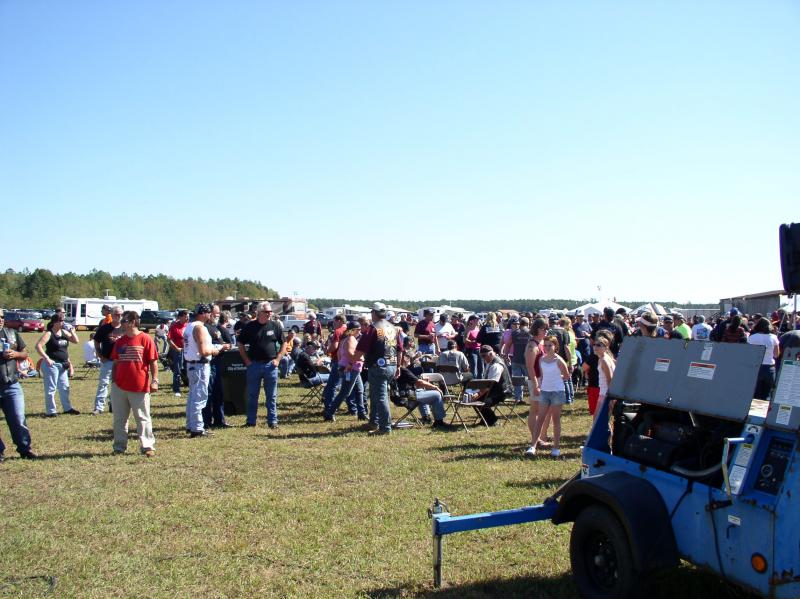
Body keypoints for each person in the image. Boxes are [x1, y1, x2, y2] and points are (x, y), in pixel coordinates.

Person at [110, 310, 158, 457]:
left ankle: (147, 445)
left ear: (132, 322)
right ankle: (119, 447)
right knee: (119, 419)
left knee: (142, 417)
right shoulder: (120, 341)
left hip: (139, 386)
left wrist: (155, 380)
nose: (121, 323)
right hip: (119, 386)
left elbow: (153, 362)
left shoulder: (145, 339)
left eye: (124, 321)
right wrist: (113, 381)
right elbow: (115, 363)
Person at [238, 301, 287, 429]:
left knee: (271, 396)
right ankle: (251, 421)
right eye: (267, 312)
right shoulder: (250, 326)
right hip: (254, 365)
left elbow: (284, 343)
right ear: (259, 313)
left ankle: (273, 421)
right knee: (252, 395)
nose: (270, 313)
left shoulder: (275, 325)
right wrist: (247, 361)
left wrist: (278, 359)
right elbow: (240, 343)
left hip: (270, 365)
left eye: (271, 311)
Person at [355, 302, 399, 435]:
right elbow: (400, 349)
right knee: (375, 394)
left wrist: (351, 360)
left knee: (380, 396)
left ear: (373, 313)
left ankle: (385, 427)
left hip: (378, 367)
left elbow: (361, 349)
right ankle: (374, 421)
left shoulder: (372, 328)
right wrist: (399, 366)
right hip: (392, 364)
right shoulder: (393, 327)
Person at [0, 308, 38, 460]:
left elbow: (25, 353)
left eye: (2, 316)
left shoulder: (11, 333)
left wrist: (15, 354)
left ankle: (24, 448)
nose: (0, 319)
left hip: (11, 384)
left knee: (18, 417)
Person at [182, 304, 223, 437]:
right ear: (204, 313)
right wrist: (215, 350)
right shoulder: (200, 328)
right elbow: (203, 351)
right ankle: (197, 428)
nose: (211, 315)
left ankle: (191, 425)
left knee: (193, 396)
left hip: (192, 364)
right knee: (199, 397)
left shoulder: (189, 326)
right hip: (199, 365)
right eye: (209, 313)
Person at [526, 335, 570, 457]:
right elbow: (543, 375)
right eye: (545, 345)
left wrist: (557, 378)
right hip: (545, 391)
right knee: (540, 418)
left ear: (555, 346)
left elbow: (566, 376)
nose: (547, 347)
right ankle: (533, 446)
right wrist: (540, 386)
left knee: (556, 420)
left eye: (550, 345)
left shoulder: (559, 360)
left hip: (557, 391)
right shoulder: (542, 360)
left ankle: (556, 447)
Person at [395, 349, 454, 429]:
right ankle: (439, 422)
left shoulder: (394, 369)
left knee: (421, 391)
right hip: (406, 397)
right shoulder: (403, 370)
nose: (410, 360)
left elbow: (416, 383)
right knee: (436, 395)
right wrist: (435, 387)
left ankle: (426, 417)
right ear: (403, 358)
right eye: (408, 357)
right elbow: (419, 382)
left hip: (398, 396)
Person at [35, 313, 80, 416]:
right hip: (52, 365)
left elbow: (76, 341)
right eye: (61, 321)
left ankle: (67, 408)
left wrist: (72, 332)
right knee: (51, 388)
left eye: (63, 320)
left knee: (64, 387)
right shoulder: (49, 334)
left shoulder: (64, 332)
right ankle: (51, 411)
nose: (63, 322)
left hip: (63, 365)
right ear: (55, 322)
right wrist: (47, 359)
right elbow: (38, 346)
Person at [324, 321, 366, 421]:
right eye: (358, 330)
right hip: (351, 369)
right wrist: (362, 358)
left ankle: (362, 413)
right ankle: (329, 413)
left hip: (352, 369)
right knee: (345, 392)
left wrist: (343, 363)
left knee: (359, 390)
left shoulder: (345, 339)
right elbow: (351, 354)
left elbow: (339, 354)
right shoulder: (351, 339)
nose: (360, 332)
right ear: (353, 330)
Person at [203, 304, 233, 430]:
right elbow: (207, 346)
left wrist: (225, 345)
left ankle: (219, 420)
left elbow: (220, 342)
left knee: (218, 394)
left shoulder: (216, 328)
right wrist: (222, 347)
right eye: (215, 313)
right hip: (209, 364)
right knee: (208, 394)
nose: (217, 315)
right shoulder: (204, 328)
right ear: (209, 313)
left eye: (218, 313)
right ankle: (207, 421)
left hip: (218, 363)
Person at [92, 306, 123, 415]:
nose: (118, 317)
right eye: (116, 314)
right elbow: (96, 341)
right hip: (108, 360)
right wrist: (100, 355)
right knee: (103, 384)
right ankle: (99, 407)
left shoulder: (125, 329)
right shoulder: (104, 328)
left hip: (121, 362)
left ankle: (113, 405)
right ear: (112, 315)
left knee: (118, 385)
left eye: (120, 315)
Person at [471, 345, 513, 427]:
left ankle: (492, 420)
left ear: (491, 354)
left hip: (502, 392)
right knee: (474, 399)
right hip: (494, 391)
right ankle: (485, 420)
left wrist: (478, 394)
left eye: (484, 356)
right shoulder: (490, 362)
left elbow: (489, 385)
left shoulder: (496, 365)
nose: (483, 358)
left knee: (479, 401)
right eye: (481, 356)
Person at [747, 318, 780, 400]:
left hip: (755, 368)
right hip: (769, 368)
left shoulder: (751, 338)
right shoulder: (774, 337)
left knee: (755, 394)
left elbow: (747, 354)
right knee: (767, 395)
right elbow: (776, 355)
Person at [503, 316, 532, 403]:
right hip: (527, 360)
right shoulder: (530, 333)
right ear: (527, 323)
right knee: (531, 380)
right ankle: (534, 398)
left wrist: (506, 355)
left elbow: (508, 344)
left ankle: (518, 398)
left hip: (516, 359)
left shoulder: (515, 333)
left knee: (517, 381)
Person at [322, 315, 347, 412]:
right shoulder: (350, 330)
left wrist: (327, 351)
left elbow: (335, 346)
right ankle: (353, 408)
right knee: (348, 386)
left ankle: (329, 408)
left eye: (334, 322)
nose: (333, 324)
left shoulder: (338, 331)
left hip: (338, 360)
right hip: (349, 361)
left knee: (332, 386)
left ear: (339, 321)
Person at [593, 334, 616, 422]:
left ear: (606, 348)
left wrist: (610, 397)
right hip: (604, 393)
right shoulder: (604, 358)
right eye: (594, 344)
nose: (595, 347)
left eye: (599, 345)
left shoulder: (604, 360)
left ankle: (606, 436)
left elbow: (609, 379)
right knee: (601, 419)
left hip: (606, 394)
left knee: (599, 420)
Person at [167, 310, 189, 397]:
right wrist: (176, 348)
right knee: (178, 370)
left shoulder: (189, 326)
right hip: (178, 351)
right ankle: (176, 389)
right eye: (185, 316)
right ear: (180, 317)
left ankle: (190, 386)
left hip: (188, 350)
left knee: (188, 369)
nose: (187, 318)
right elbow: (169, 339)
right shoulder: (174, 326)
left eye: (188, 316)